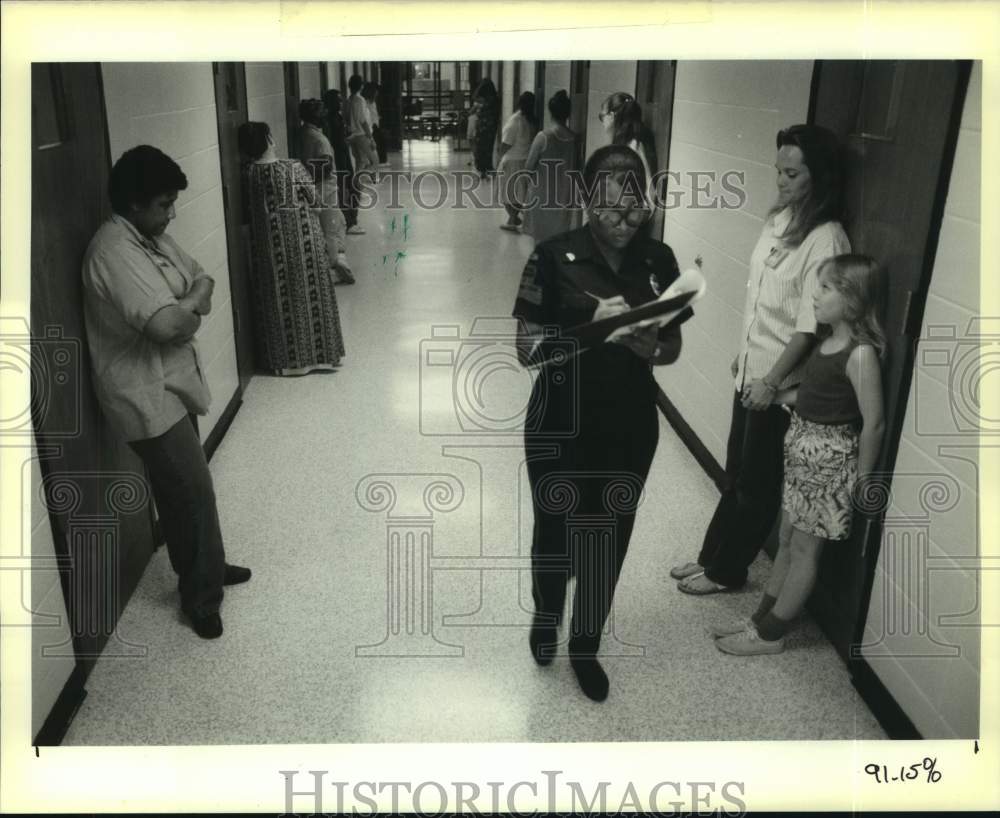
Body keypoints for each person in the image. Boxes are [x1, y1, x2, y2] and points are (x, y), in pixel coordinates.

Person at [513, 144, 693, 701]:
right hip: (558, 421)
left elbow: (673, 349)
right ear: (590, 201)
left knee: (608, 537)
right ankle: (547, 616)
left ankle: (584, 646)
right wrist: (591, 326)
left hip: (630, 422)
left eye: (635, 208)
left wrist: (647, 347)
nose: (625, 220)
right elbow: (527, 352)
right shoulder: (550, 255)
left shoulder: (659, 260)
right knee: (554, 528)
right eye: (613, 208)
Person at [672, 124, 851, 595]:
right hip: (752, 369)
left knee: (756, 484)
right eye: (779, 171)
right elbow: (764, 300)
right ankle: (711, 557)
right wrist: (745, 354)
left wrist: (772, 381)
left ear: (820, 176)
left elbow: (810, 326)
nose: (781, 181)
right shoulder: (779, 220)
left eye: (792, 173)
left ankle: (726, 571)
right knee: (735, 473)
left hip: (778, 384)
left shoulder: (826, 238)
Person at [81, 145, 251, 640]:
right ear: (133, 203)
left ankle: (206, 567)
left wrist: (189, 303)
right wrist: (190, 305)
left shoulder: (153, 237)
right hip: (144, 392)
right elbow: (165, 325)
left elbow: (203, 278)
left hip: (173, 382)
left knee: (183, 492)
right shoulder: (114, 251)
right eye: (163, 204)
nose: (171, 213)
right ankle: (201, 598)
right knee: (192, 492)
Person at [712, 254, 886, 654]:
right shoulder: (826, 345)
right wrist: (769, 392)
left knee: (807, 549)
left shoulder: (860, 354)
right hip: (802, 451)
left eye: (825, 288)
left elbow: (873, 422)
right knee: (788, 537)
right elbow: (811, 395)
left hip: (829, 460)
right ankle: (762, 618)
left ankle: (772, 634)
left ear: (853, 299)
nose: (816, 295)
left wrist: (862, 478)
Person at [238, 121, 346, 375]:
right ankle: (319, 357)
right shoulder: (292, 167)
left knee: (278, 298)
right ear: (269, 139)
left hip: (268, 249)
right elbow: (317, 204)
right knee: (312, 296)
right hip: (304, 242)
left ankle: (286, 362)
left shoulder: (248, 174)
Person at [299, 98, 355, 284]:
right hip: (325, 189)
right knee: (331, 230)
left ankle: (338, 261)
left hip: (316, 189)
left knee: (340, 223)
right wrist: (311, 182)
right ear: (317, 116)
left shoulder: (304, 133)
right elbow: (326, 167)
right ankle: (331, 270)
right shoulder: (319, 139)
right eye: (322, 113)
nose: (324, 116)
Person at [522, 89, 579, 243]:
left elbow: (528, 168)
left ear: (550, 112)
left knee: (541, 242)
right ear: (567, 114)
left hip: (542, 196)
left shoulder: (543, 137)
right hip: (564, 197)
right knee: (559, 242)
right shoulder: (574, 139)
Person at [598, 91, 657, 201]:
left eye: (602, 116)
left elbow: (649, 191)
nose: (602, 122)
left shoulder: (634, 146)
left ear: (611, 116)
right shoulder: (624, 145)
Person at [322, 88, 364, 235]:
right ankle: (349, 222)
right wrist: (347, 138)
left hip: (344, 157)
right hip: (338, 159)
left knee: (352, 188)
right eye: (338, 100)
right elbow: (335, 142)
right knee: (345, 191)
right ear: (331, 102)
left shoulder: (337, 117)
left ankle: (351, 220)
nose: (341, 103)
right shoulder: (329, 120)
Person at [497, 91, 538, 232]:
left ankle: (513, 219)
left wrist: (498, 157)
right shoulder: (532, 120)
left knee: (506, 193)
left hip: (512, 160)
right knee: (518, 193)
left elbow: (506, 144)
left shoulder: (515, 121)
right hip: (524, 160)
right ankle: (513, 218)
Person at [346, 74, 378, 173]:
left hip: (353, 135)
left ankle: (357, 184)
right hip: (362, 135)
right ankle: (360, 180)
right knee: (374, 160)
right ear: (361, 86)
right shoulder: (359, 100)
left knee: (360, 161)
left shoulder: (348, 100)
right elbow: (363, 121)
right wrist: (371, 138)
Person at [471, 78, 499, 178]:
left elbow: (474, 107)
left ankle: (483, 169)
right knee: (488, 148)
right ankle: (486, 168)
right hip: (489, 127)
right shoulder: (493, 98)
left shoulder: (484, 99)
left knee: (480, 147)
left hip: (482, 126)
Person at [362, 81, 388, 166]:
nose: (376, 95)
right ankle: (376, 162)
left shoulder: (373, 102)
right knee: (376, 145)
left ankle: (380, 161)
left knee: (381, 142)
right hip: (370, 126)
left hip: (375, 125)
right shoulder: (364, 102)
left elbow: (374, 113)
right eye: (375, 93)